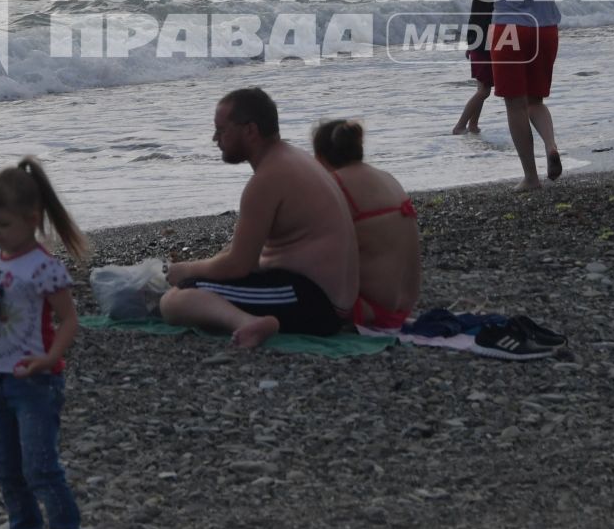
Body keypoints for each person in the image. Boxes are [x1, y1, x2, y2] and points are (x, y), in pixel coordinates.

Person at [0, 158, 94, 529]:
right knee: (5, 465)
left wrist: (52, 359)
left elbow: (69, 319)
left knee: (40, 464)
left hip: (36, 379)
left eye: (2, 224)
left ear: (32, 220)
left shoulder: (44, 267)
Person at [160, 88, 359, 348]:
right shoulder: (293, 159)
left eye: (221, 131)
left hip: (314, 303)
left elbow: (238, 266)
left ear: (250, 131)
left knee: (176, 299)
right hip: (331, 302)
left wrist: (183, 270)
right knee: (197, 282)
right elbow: (242, 251)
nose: (214, 139)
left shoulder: (267, 179)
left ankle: (246, 323)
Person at [477, 0, 569, 190]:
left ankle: (531, 178)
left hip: (510, 30)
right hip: (546, 29)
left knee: (514, 105)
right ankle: (551, 146)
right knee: (535, 101)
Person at [312, 119, 420, 331]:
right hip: (403, 308)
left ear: (320, 158)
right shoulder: (387, 178)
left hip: (367, 310)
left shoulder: (335, 184)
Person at [453, 0, 495, 134]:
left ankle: (473, 124)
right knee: (484, 90)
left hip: (477, 42)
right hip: (482, 44)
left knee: (482, 88)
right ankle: (460, 125)